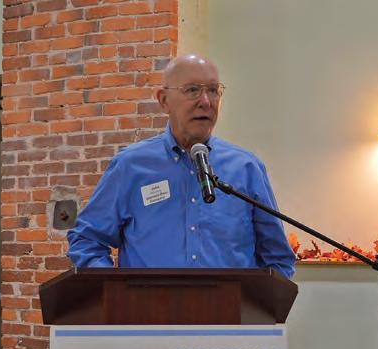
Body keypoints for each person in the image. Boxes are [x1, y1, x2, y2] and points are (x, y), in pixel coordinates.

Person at [67, 54, 295, 279]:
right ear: (164, 100)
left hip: (229, 305)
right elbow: (87, 240)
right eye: (192, 90)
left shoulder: (246, 168)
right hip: (148, 304)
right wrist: (116, 290)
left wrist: (255, 300)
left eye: (213, 90)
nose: (205, 101)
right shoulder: (130, 166)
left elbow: (278, 259)